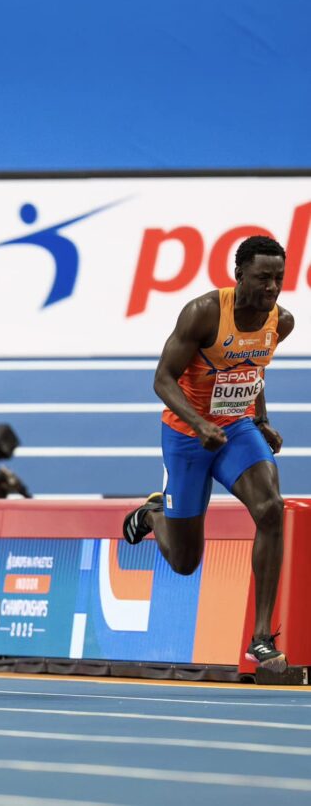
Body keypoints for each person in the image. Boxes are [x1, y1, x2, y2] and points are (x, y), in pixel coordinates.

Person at [122, 235, 293, 672]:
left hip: (235, 429)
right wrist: (199, 424)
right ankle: (153, 514)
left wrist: (260, 419)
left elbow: (252, 371)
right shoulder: (204, 313)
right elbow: (162, 378)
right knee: (184, 562)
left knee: (271, 508)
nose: (272, 287)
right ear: (239, 275)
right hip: (187, 435)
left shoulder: (282, 321)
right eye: (262, 278)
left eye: (278, 277)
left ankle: (259, 638)